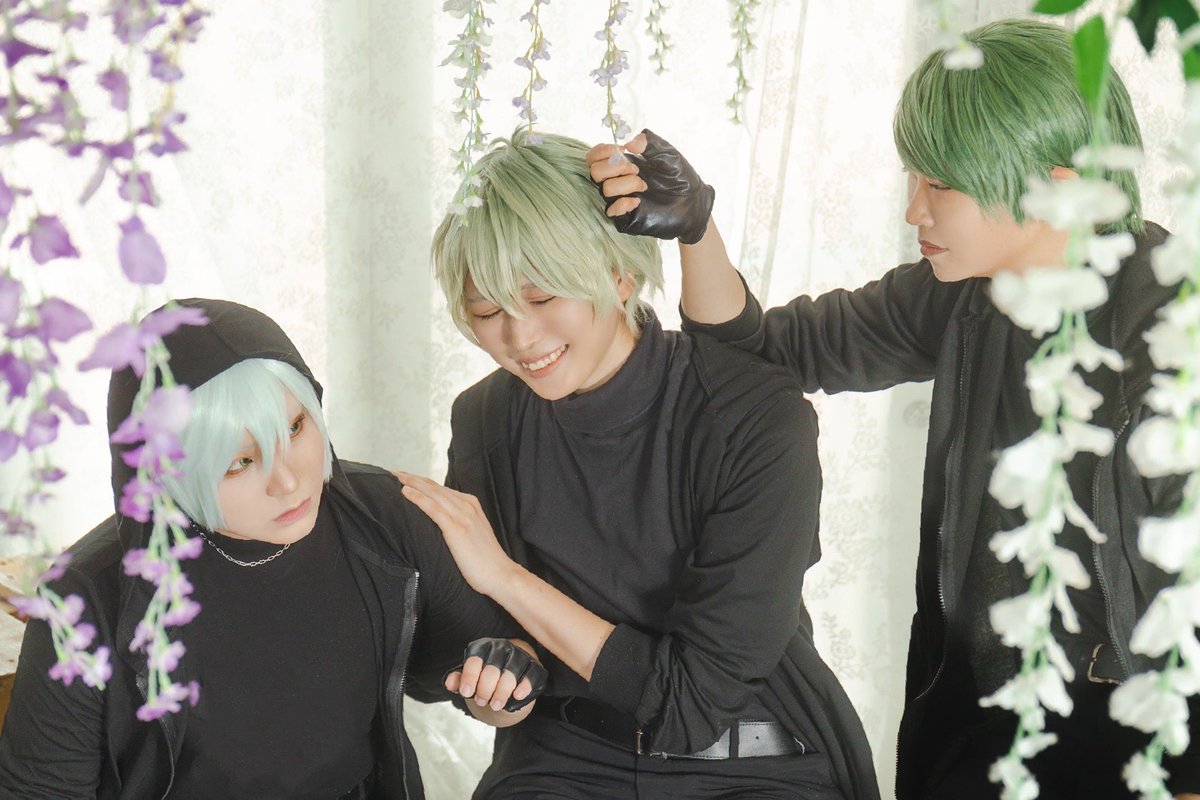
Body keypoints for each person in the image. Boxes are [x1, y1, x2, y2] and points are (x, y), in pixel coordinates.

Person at [586, 16, 1199, 800]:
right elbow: (758, 355)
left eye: (941, 185)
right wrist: (696, 229)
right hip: (982, 735)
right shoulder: (966, 300)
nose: (915, 212)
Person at [396, 128, 877, 800]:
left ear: (619, 274)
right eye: (486, 310)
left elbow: (695, 703)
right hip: (566, 758)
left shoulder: (753, 416)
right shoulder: (487, 416)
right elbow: (481, 641)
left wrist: (504, 577)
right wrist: (497, 683)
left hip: (753, 759)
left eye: (542, 297)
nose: (519, 337)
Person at [0, 298, 546, 800]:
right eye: (240, 462)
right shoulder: (82, 603)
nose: (289, 480)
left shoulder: (387, 517)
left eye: (295, 427)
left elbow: (491, 681)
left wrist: (505, 687)